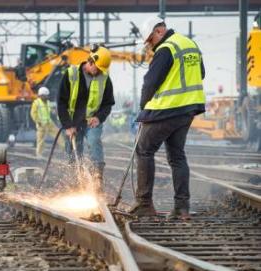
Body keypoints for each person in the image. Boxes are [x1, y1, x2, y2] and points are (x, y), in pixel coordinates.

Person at [132, 17, 206, 218]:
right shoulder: (190, 44)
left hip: (168, 109)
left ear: (158, 32)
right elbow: (202, 73)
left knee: (144, 149)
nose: (149, 46)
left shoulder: (166, 49)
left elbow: (150, 82)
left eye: (149, 41)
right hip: (189, 109)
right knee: (177, 156)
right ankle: (182, 208)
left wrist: (143, 108)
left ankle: (144, 205)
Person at [57, 46, 115, 191]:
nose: (100, 71)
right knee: (73, 151)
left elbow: (108, 103)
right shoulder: (71, 74)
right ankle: (76, 182)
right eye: (98, 67)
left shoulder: (105, 79)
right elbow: (61, 102)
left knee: (94, 141)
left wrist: (99, 118)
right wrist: (68, 125)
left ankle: (97, 178)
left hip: (91, 122)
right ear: (90, 61)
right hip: (72, 122)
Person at [30, 86, 62, 157]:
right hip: (41, 125)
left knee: (58, 135)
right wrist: (38, 121)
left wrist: (55, 113)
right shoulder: (36, 103)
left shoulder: (47, 102)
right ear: (41, 95)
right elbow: (33, 113)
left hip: (49, 123)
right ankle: (39, 154)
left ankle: (65, 149)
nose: (47, 97)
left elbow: (52, 111)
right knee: (41, 140)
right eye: (46, 95)